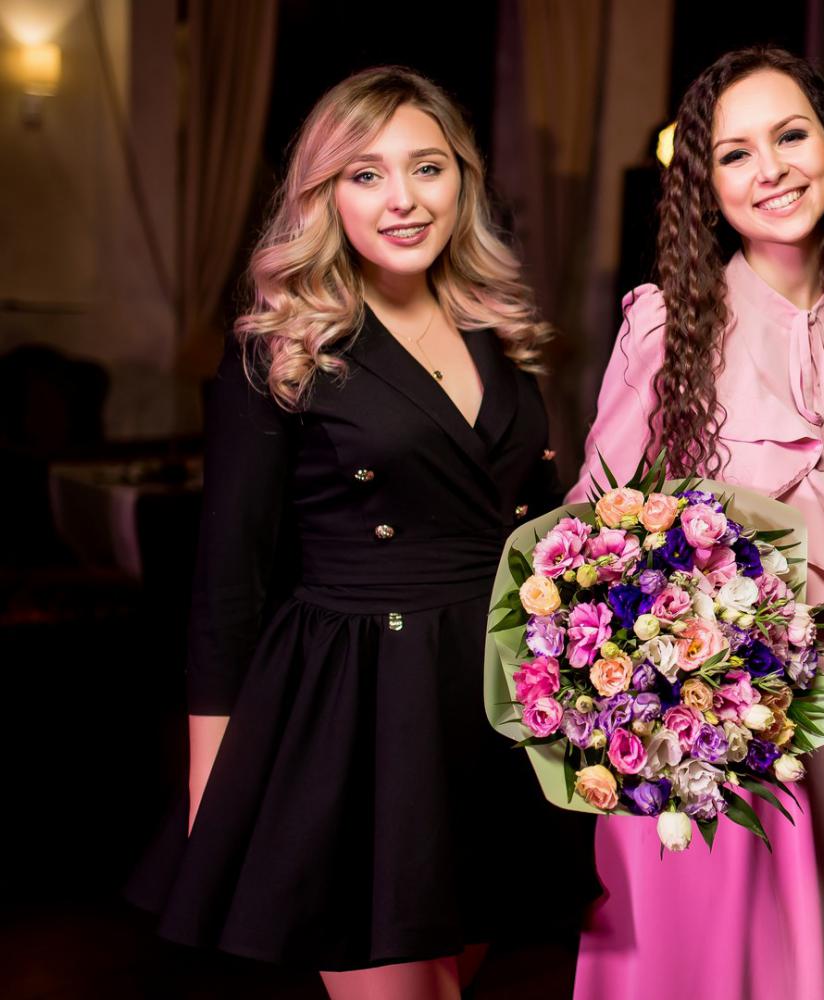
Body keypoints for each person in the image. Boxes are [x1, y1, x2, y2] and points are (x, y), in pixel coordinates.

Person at [127, 66, 591, 999]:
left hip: (495, 703)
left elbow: (545, 527)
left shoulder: (496, 329)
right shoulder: (279, 346)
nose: (403, 199)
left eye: (427, 167)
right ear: (324, 194)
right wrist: (216, 785)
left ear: (462, 181)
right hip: (357, 713)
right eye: (366, 174)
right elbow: (227, 584)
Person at [565, 47, 824, 1000]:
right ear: (706, 185)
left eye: (790, 136)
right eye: (735, 154)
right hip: (690, 749)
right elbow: (591, 537)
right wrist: (693, 684)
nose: (771, 169)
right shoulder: (667, 328)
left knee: (807, 969)